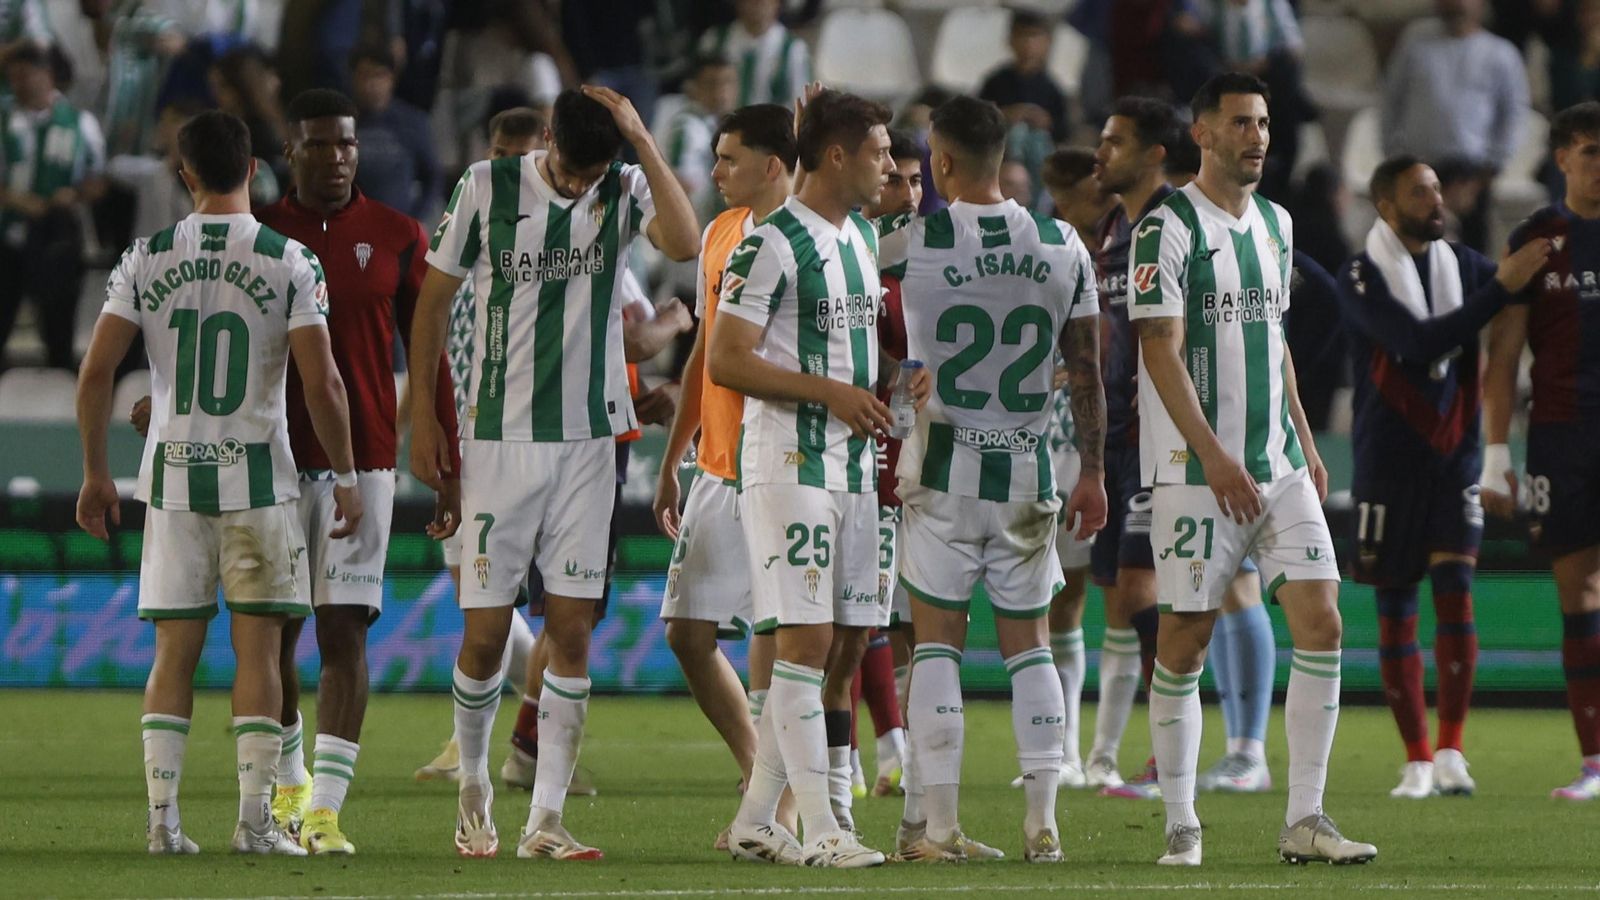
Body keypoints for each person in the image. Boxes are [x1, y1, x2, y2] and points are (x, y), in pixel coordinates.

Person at [407, 85, 699, 859]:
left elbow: (684, 240)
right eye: (568, 170)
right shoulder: (485, 186)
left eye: (589, 173)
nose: (576, 185)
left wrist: (640, 137)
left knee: (571, 628)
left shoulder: (622, 183)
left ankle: (545, 819)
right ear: (546, 140)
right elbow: (432, 302)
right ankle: (472, 787)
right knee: (484, 634)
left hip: (590, 441)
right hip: (498, 439)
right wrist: (425, 417)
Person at [74, 109, 360, 857]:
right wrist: (349, 474)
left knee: (174, 655)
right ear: (257, 170)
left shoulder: (146, 256)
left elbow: (97, 369)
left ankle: (164, 823)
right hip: (259, 482)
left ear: (185, 174)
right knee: (260, 655)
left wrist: (97, 472)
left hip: (173, 479)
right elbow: (323, 381)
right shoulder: (290, 258)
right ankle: (254, 822)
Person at [1128, 72, 1376, 866]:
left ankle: (1304, 817)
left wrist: (1302, 437)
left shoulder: (1277, 223)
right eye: (1239, 123)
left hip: (1277, 466)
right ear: (1202, 133)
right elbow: (1158, 346)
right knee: (1185, 640)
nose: (1256, 137)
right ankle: (1181, 819)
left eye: (1263, 123)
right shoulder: (1165, 227)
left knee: (1322, 618)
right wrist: (1213, 455)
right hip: (1198, 471)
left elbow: (1274, 341)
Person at [878, 93, 1106, 865]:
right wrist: (1096, 471)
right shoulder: (1062, 244)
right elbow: (1087, 371)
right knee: (1031, 648)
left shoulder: (912, 240)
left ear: (939, 163)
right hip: (1028, 475)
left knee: (936, 649)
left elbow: (833, 268)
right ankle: (1043, 824)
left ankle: (938, 830)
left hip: (941, 472)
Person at [248, 88, 461, 855]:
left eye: (346, 145)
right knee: (274, 636)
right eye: (319, 145)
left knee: (343, 630)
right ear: (290, 155)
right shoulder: (260, 236)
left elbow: (428, 348)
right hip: (269, 459)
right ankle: (291, 780)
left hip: (365, 460)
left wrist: (447, 455)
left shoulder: (398, 234)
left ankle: (326, 811)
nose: (336, 157)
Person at [707, 87, 904, 869]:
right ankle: (824, 828)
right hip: (790, 461)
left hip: (853, 468)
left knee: (844, 643)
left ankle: (759, 817)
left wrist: (894, 380)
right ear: (836, 157)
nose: (890, 166)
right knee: (807, 641)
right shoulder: (773, 244)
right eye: (881, 153)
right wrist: (832, 393)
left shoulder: (857, 240)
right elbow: (726, 358)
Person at [1340, 155, 1547, 800]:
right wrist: (1500, 287)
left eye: (1436, 187)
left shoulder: (1462, 264)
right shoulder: (1360, 274)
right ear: (1385, 205)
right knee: (1396, 606)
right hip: (1387, 463)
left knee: (1456, 593)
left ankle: (1453, 747)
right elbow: (1418, 343)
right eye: (1419, 192)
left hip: (1454, 456)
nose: (1437, 200)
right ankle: (1416, 758)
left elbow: (1520, 287)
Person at [653, 102, 797, 849]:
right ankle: (759, 773)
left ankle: (787, 802)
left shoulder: (803, 238)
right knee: (686, 631)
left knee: (781, 637)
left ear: (774, 166)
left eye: (729, 159)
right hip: (715, 462)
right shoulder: (718, 233)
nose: (714, 173)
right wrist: (676, 457)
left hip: (781, 463)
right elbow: (707, 348)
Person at [414, 107, 546, 787]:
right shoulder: (469, 213)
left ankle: (528, 735)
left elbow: (633, 316)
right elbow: (427, 314)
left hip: (532, 436)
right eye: (499, 152)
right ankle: (538, 722)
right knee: (480, 601)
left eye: (521, 155)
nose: (509, 167)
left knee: (490, 603)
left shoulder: (569, 226)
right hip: (463, 434)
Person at [1484, 100, 1600, 801]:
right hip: (1560, 436)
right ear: (1561, 158)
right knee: (1577, 594)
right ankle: (1594, 762)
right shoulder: (1538, 239)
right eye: (1590, 152)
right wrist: (1497, 456)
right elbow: (1503, 357)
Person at [1079, 95, 1176, 795]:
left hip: (1159, 438)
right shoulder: (1113, 228)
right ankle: (1122, 752)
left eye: (1114, 141)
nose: (1100, 153)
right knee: (1116, 597)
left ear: (1155, 154)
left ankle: (1171, 755)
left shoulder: (1181, 224)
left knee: (1144, 590)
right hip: (1112, 438)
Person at [1036, 143, 1115, 792]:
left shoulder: (1124, 248)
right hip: (1041, 447)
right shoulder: (1046, 252)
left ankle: (1077, 749)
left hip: (1084, 449)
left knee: (1071, 604)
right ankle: (1057, 750)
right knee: (1047, 607)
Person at [852, 127, 923, 802]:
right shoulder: (855, 257)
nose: (906, 192)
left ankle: (893, 749)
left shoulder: (929, 262)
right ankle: (870, 750)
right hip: (865, 446)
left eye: (916, 180)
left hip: (922, 454)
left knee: (906, 616)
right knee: (861, 604)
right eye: (895, 178)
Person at [1381, 0, 1527, 252]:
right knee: (1414, 257)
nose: (1456, 4)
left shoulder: (1501, 53)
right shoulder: (1415, 43)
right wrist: (1396, 162)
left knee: (1469, 261)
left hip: (1471, 178)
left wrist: (1482, 179)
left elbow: (1513, 117)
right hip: (1418, 169)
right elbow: (1391, 100)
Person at [0, 41, 105, 371]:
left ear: (47, 75)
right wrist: (14, 199)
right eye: (13, 77)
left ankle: (65, 402)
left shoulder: (79, 123)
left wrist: (73, 195)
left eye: (26, 75)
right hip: (9, 237)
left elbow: (98, 180)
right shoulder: (4, 121)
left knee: (58, 329)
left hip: (57, 239)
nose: (20, 84)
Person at [349, 42, 441, 221]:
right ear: (353, 79)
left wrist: (418, 219)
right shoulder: (340, 122)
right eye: (364, 76)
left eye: (378, 76)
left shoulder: (413, 122)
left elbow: (433, 177)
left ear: (391, 79)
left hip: (398, 225)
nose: (371, 84)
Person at [662, 53, 737, 221]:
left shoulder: (716, 125)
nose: (721, 91)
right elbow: (678, 185)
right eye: (712, 84)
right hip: (693, 228)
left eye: (727, 82)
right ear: (693, 89)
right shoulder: (686, 127)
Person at [697, 0, 810, 108]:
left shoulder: (794, 49)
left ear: (778, 3)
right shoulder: (714, 40)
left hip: (774, 126)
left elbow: (802, 103)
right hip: (718, 126)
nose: (758, 3)